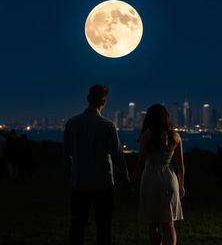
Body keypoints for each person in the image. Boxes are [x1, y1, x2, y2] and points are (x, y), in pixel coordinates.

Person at [64, 85, 130, 245]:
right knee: (104, 226)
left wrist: (71, 174)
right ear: (104, 101)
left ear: (88, 99)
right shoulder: (107, 125)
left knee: (77, 224)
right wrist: (125, 179)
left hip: (80, 181)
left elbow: (67, 152)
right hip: (103, 182)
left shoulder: (72, 123)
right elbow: (117, 155)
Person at [132, 104, 185, 245]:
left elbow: (141, 162)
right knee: (169, 224)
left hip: (150, 179)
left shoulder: (146, 136)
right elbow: (180, 164)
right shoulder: (175, 136)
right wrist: (181, 185)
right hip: (170, 180)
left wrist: (134, 178)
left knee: (153, 224)